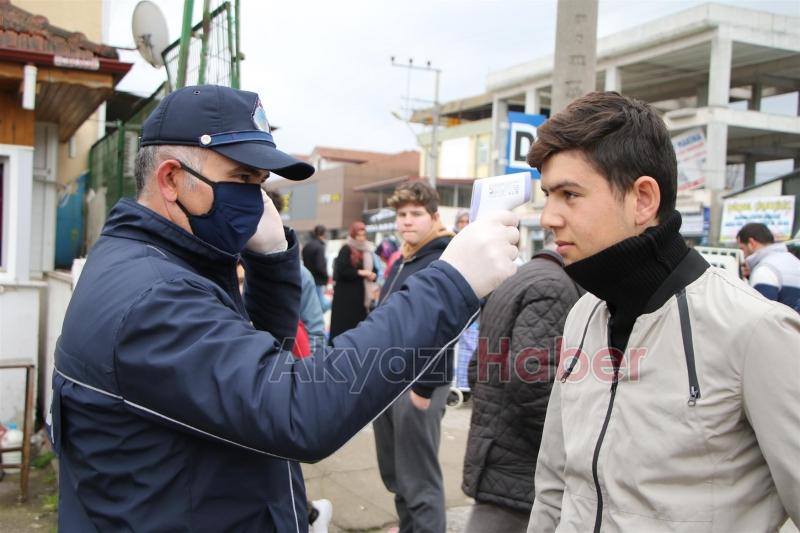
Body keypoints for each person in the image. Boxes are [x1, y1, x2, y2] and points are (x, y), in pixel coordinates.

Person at [48, 84, 521, 532]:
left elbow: (253, 369)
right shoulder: (153, 295)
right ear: (171, 179)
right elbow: (296, 409)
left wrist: (272, 263)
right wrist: (451, 284)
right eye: (240, 179)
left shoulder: (164, 261)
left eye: (259, 183)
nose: (255, 201)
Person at [526, 92, 800, 532]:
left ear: (643, 199)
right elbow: (556, 485)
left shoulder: (756, 330)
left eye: (569, 194)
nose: (548, 217)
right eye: (547, 195)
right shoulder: (582, 315)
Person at [462, 233, 581, 533]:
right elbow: (534, 381)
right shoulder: (554, 286)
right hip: (520, 465)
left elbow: (478, 366)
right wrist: (573, 445)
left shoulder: (521, 276)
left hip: (497, 453)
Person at [373, 180, 455, 533]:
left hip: (416, 384)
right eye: (402, 214)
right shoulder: (405, 259)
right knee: (397, 475)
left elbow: (444, 324)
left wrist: (424, 387)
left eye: (416, 214)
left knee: (418, 480)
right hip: (385, 381)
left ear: (434, 217)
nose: (407, 221)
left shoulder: (440, 259)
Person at [328, 221, 377, 342]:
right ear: (353, 234)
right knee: (343, 326)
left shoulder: (367, 250)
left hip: (361, 297)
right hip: (345, 296)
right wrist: (361, 272)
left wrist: (372, 275)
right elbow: (342, 270)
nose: (361, 238)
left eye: (363, 234)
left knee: (358, 325)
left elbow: (374, 269)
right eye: (358, 235)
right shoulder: (346, 249)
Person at [736, 222, 800, 312]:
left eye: (742, 248)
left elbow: (760, 315)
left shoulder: (765, 270)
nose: (744, 254)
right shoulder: (795, 262)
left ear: (751, 243)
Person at [302, 224, 331, 312]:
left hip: (307, 279)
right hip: (318, 280)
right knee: (321, 305)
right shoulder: (319, 247)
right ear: (324, 234)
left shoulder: (307, 246)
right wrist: (326, 276)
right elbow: (320, 266)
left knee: (310, 306)